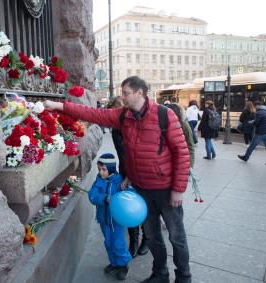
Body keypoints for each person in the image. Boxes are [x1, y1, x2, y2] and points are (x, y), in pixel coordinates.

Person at [44, 76, 192, 283]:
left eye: (126, 93)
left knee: (176, 237)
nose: (122, 97)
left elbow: (182, 153)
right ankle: (160, 274)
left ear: (140, 93)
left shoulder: (164, 115)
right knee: (152, 236)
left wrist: (178, 189)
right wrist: (58, 105)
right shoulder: (124, 116)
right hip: (141, 190)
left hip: (166, 189)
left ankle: (184, 277)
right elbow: (93, 114)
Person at [106, 97, 149, 258]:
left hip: (141, 172)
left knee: (143, 206)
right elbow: (123, 153)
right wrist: (127, 175)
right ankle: (134, 241)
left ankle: (147, 239)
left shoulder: (134, 123)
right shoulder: (116, 129)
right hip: (127, 171)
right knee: (130, 206)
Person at [88, 153, 132, 280]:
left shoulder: (119, 181)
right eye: (99, 169)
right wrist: (103, 198)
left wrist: (126, 191)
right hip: (104, 219)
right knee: (108, 243)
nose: (101, 172)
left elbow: (129, 196)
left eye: (104, 169)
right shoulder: (99, 180)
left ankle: (123, 265)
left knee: (118, 243)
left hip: (117, 221)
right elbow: (92, 195)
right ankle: (114, 263)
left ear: (111, 168)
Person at [238, 101, 266, 166]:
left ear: (257, 105)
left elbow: (256, 122)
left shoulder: (259, 112)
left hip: (260, 132)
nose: (254, 108)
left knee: (252, 145)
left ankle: (246, 157)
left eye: (255, 106)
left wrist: (250, 122)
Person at [166, 103, 195, 168]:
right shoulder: (163, 124)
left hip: (181, 162)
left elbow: (190, 146)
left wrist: (190, 165)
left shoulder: (184, 125)